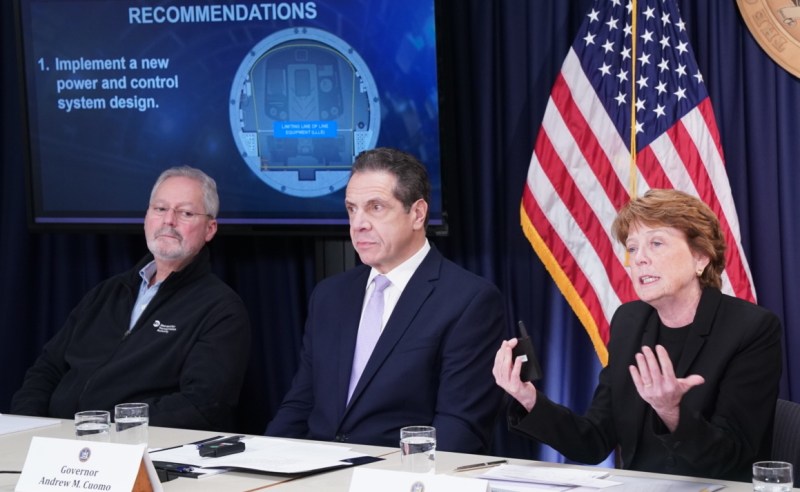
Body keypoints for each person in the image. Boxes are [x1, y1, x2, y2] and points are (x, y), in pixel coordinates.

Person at [493, 188, 782, 482]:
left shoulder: (751, 328)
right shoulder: (629, 321)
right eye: (632, 248)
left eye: (656, 243)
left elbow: (732, 459)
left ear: (701, 258)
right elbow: (593, 441)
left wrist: (672, 413)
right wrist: (528, 399)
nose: (638, 259)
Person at [266, 147, 506, 453]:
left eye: (375, 207)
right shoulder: (329, 295)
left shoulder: (469, 300)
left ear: (417, 214)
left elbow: (460, 428)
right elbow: (300, 404)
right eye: (352, 209)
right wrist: (265, 467)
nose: (358, 223)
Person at [11, 166, 251, 431]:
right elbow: (46, 371)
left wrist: (107, 431)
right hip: (57, 446)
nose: (168, 220)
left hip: (137, 453)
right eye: (160, 209)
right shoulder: (106, 293)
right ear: (147, 217)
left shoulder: (220, 309)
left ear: (210, 229)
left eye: (185, 213)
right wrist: (28, 428)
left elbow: (203, 404)